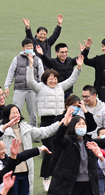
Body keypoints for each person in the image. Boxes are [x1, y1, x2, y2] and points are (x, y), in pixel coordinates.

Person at [26, 55, 83, 185]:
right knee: (48, 151)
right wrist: (31, 65)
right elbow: (30, 81)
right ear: (45, 79)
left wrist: (78, 67)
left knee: (59, 150)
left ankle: (57, 176)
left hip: (60, 120)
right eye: (51, 79)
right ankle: (46, 178)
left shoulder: (60, 87)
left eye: (55, 78)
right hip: (46, 121)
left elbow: (72, 80)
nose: (53, 81)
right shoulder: (40, 88)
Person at [1, 104, 61, 195]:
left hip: (26, 174)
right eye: (13, 113)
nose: (16, 115)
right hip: (11, 174)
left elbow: (44, 132)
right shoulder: (3, 131)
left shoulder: (26, 128)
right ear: (7, 116)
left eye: (17, 112)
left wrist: (60, 124)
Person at [4, 38, 44, 127]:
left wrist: (40, 89)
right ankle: (15, 130)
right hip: (19, 90)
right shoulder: (16, 59)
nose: (29, 48)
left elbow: (42, 76)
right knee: (15, 113)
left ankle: (34, 132)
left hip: (33, 91)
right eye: (27, 46)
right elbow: (10, 73)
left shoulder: (37, 60)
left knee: (33, 114)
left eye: (31, 46)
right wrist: (7, 87)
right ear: (23, 48)